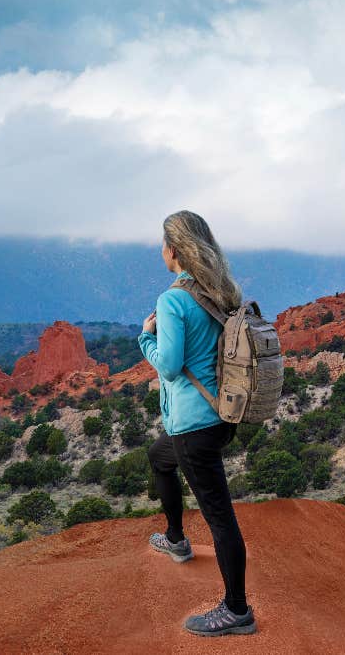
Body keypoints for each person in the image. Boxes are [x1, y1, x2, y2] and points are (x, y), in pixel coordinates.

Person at [137, 209, 256, 637]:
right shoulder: (220, 291)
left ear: (173, 249)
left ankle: (237, 610)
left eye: (162, 243)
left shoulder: (172, 299)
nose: (160, 250)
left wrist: (145, 337)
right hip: (221, 416)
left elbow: (168, 367)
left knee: (220, 518)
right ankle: (174, 538)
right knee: (158, 457)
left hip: (192, 425)